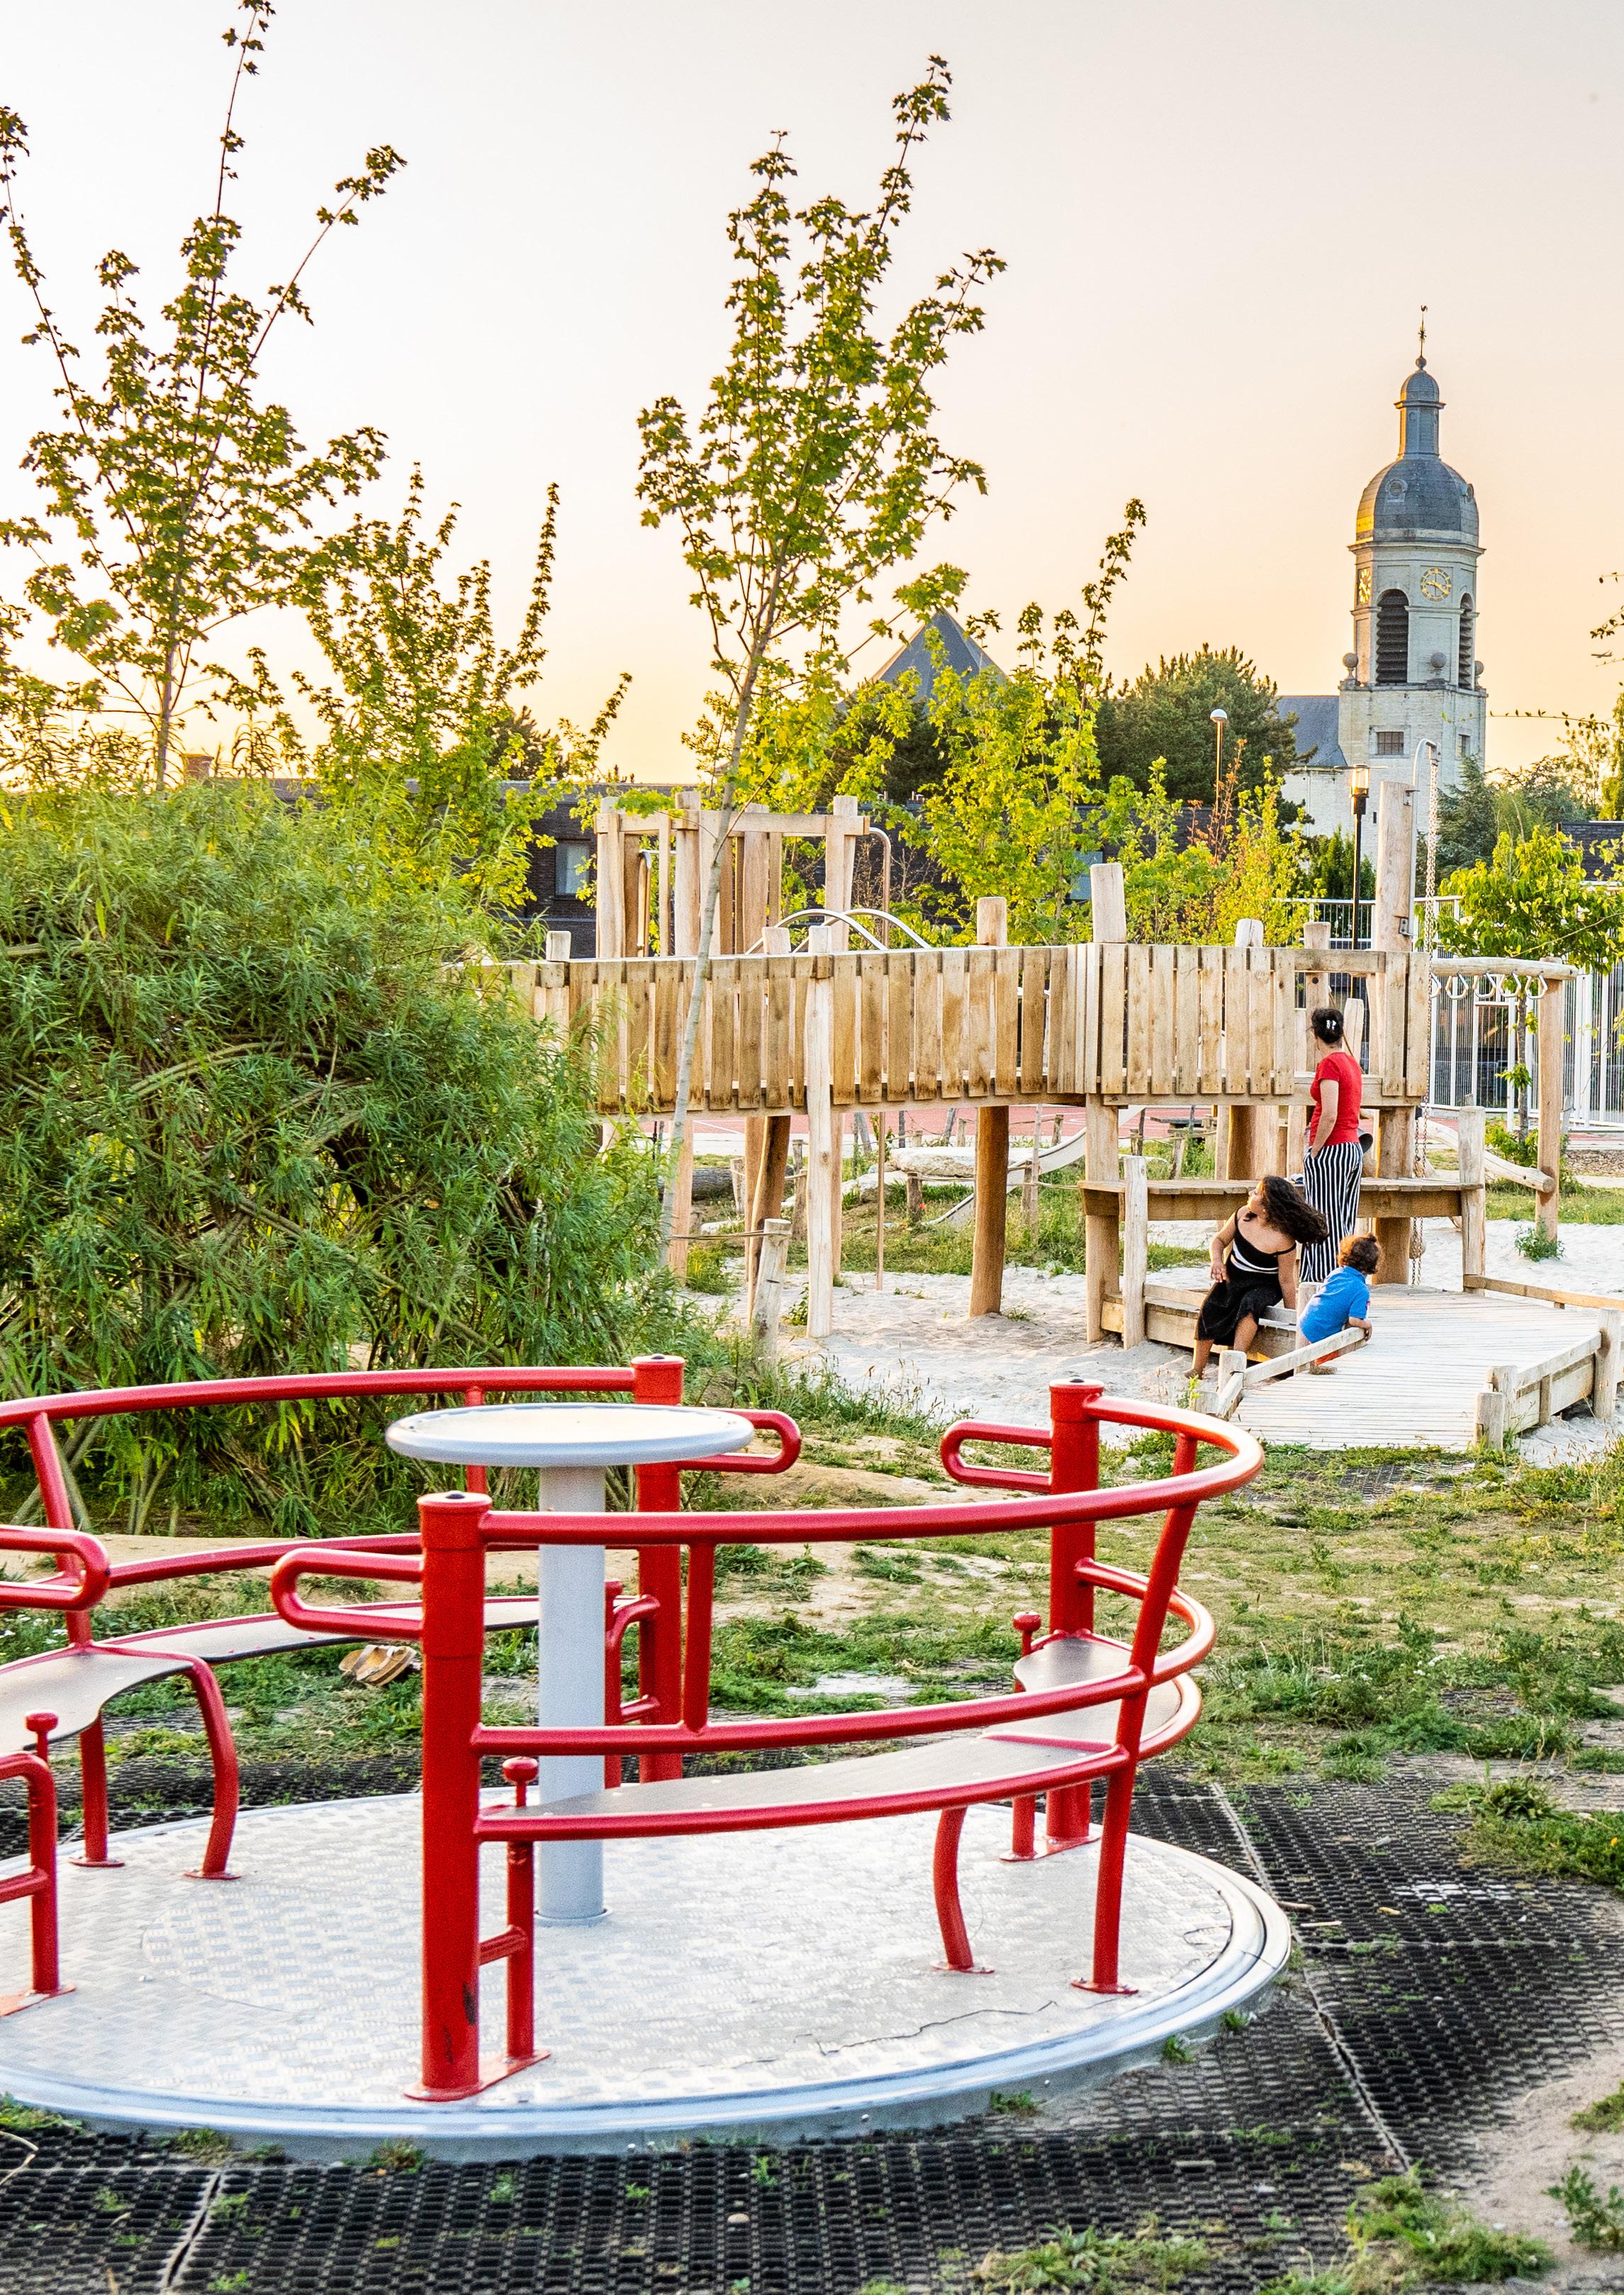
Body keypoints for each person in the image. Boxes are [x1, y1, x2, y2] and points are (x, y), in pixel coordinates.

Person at [1192, 1175, 1328, 1378]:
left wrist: (1292, 1316)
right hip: (1234, 1277)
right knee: (1211, 1307)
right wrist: (1217, 1261)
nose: (1250, 1193)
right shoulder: (1242, 1215)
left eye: (1256, 1193)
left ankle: (1236, 1363)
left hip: (1264, 1286)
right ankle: (1197, 1369)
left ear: (1266, 1209)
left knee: (1249, 1305)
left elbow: (1286, 1280)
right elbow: (1219, 1240)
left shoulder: (1283, 1239)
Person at [1299, 1005, 1364, 1290]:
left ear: (1315, 1035)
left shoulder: (1329, 1065)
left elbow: (1330, 1113)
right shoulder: (1352, 1063)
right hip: (1352, 1147)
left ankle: (1324, 1281)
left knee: (1323, 1218)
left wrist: (1315, 1149)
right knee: (1344, 1219)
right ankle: (1345, 1278)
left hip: (1332, 1150)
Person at [1299, 1234, 1379, 1372]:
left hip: (1305, 1320)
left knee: (1306, 1363)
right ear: (1371, 1266)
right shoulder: (1362, 1290)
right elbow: (1355, 1320)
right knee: (1329, 1364)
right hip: (1323, 1332)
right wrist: (1368, 1324)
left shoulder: (1335, 1273)